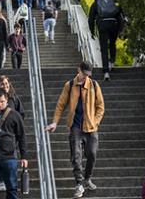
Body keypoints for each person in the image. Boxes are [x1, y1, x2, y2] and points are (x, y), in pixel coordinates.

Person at [45, 61, 105, 198]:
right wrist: (54, 122)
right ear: (79, 70)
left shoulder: (94, 85)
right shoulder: (70, 85)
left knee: (92, 154)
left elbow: (100, 106)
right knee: (76, 155)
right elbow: (61, 105)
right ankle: (79, 183)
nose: (85, 77)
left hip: (91, 127)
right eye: (84, 74)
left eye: (88, 75)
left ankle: (87, 178)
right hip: (76, 126)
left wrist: (95, 122)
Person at [88, 0, 126, 81]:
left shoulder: (96, 3)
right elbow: (119, 15)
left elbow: (91, 19)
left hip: (103, 25)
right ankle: (112, 63)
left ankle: (106, 72)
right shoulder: (111, 2)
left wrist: (92, 31)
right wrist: (120, 29)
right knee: (112, 43)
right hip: (114, 25)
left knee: (104, 48)